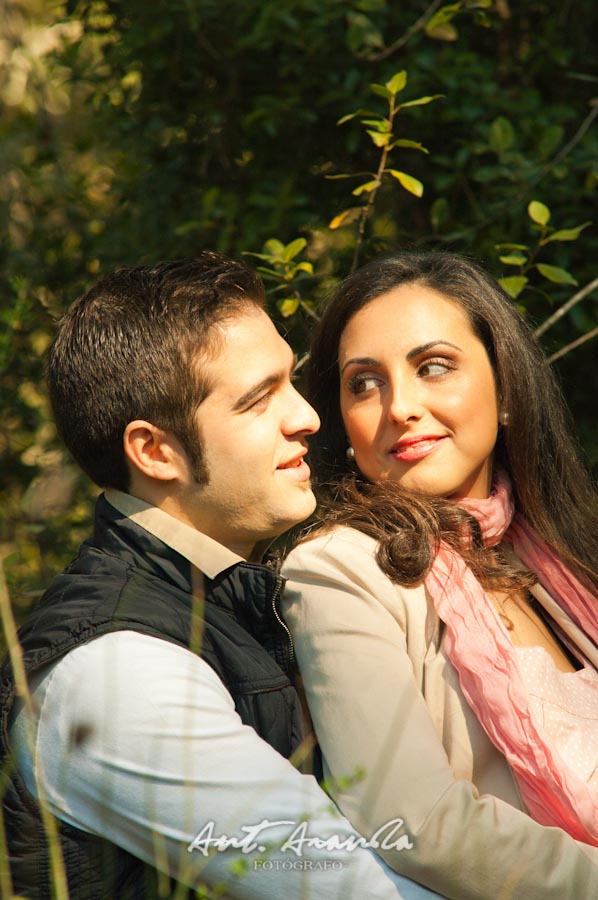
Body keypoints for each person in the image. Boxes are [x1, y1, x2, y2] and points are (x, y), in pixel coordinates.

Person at [0, 253, 442, 900]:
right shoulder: (117, 673)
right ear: (155, 451)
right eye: (259, 399)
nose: (307, 417)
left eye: (292, 382)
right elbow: (354, 890)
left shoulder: (229, 600)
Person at [281, 250, 598, 900]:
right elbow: (415, 822)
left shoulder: (557, 554)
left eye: (433, 367)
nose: (400, 407)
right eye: (364, 383)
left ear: (505, 386)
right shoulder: (339, 571)